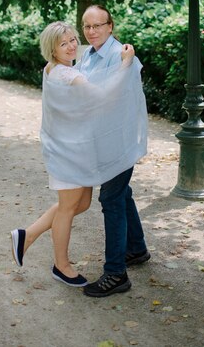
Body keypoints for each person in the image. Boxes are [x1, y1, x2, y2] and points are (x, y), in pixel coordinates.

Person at [11, 21, 136, 288]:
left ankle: (27, 235)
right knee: (69, 208)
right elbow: (104, 97)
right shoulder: (69, 75)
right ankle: (61, 265)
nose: (70, 47)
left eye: (72, 40)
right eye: (62, 43)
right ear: (51, 48)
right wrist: (125, 63)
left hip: (71, 148)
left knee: (80, 204)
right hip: (70, 150)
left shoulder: (53, 69)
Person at [76, 5, 150, 298]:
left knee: (111, 197)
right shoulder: (88, 55)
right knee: (122, 193)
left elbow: (114, 99)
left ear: (110, 26)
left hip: (118, 141)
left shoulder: (124, 57)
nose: (91, 31)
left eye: (97, 26)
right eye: (86, 26)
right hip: (99, 139)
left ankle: (116, 273)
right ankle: (137, 248)